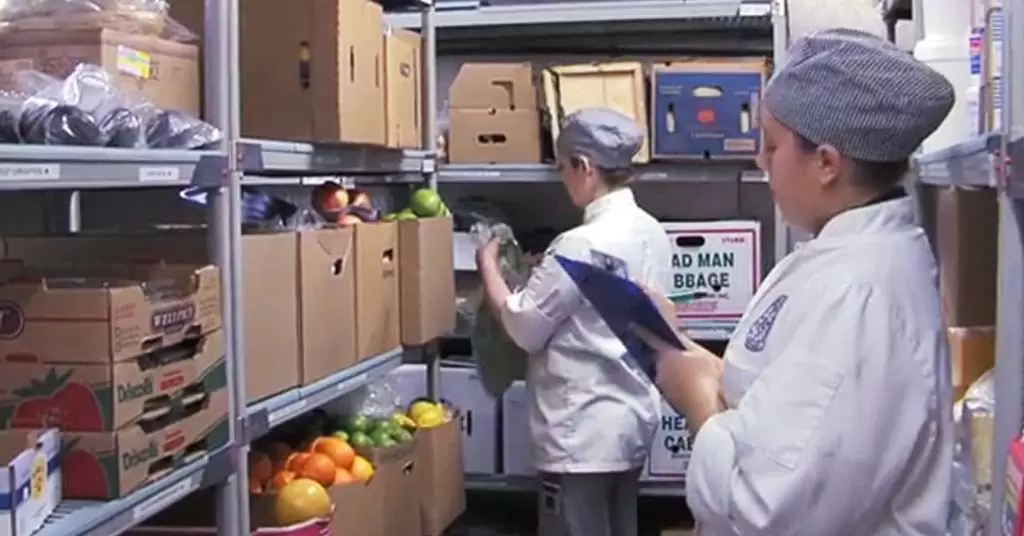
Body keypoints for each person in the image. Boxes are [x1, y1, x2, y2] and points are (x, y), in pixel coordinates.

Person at [636, 29, 956, 535]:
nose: (760, 162)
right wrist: (687, 353)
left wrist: (696, 399)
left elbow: (766, 510)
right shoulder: (835, 257)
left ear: (827, 162)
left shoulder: (859, 294)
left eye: (771, 145)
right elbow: (787, 396)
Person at [475, 107, 673, 536]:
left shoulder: (580, 243)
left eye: (563, 167)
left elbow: (524, 328)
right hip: (629, 425)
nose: (562, 178)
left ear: (584, 166)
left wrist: (488, 265)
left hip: (579, 434)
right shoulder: (652, 232)